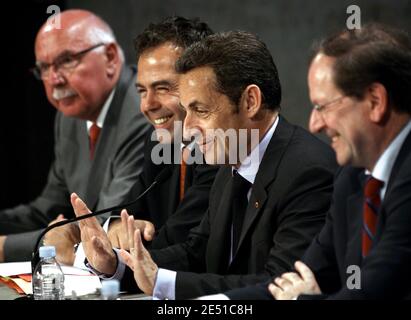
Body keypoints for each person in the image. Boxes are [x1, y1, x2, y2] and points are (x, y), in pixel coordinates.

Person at [72, 30, 338, 299]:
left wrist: (162, 283)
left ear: (250, 102)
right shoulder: (231, 163)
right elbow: (194, 253)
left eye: (200, 111)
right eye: (186, 112)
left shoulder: (307, 172)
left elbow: (281, 286)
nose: (187, 130)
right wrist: (116, 265)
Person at [226, 23, 411, 300]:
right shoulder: (351, 178)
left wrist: (303, 299)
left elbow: (373, 295)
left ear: (375, 101)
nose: (314, 124)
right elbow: (292, 280)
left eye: (322, 107)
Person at [0, 9, 150, 264]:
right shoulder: (70, 116)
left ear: (111, 58)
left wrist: (5, 248)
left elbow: (105, 224)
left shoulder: (143, 110)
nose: (54, 80)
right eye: (44, 68)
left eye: (66, 60)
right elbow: (47, 210)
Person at [75, 16, 218, 260]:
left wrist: (94, 254)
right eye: (142, 91)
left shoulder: (224, 147)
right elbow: (126, 214)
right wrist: (115, 228)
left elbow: (182, 244)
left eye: (163, 88)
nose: (148, 105)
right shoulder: (158, 143)